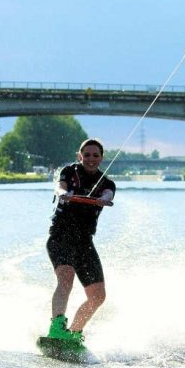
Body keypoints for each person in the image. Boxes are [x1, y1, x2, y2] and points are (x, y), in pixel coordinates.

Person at [45, 138, 116, 346]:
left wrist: (104, 198)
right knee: (66, 277)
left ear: (101, 158)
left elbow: (108, 192)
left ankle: (74, 333)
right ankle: (57, 327)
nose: (91, 159)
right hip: (60, 237)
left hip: (84, 243)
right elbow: (60, 186)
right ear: (80, 156)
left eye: (95, 155)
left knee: (98, 296)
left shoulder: (107, 183)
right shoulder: (69, 172)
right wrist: (63, 194)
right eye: (87, 155)